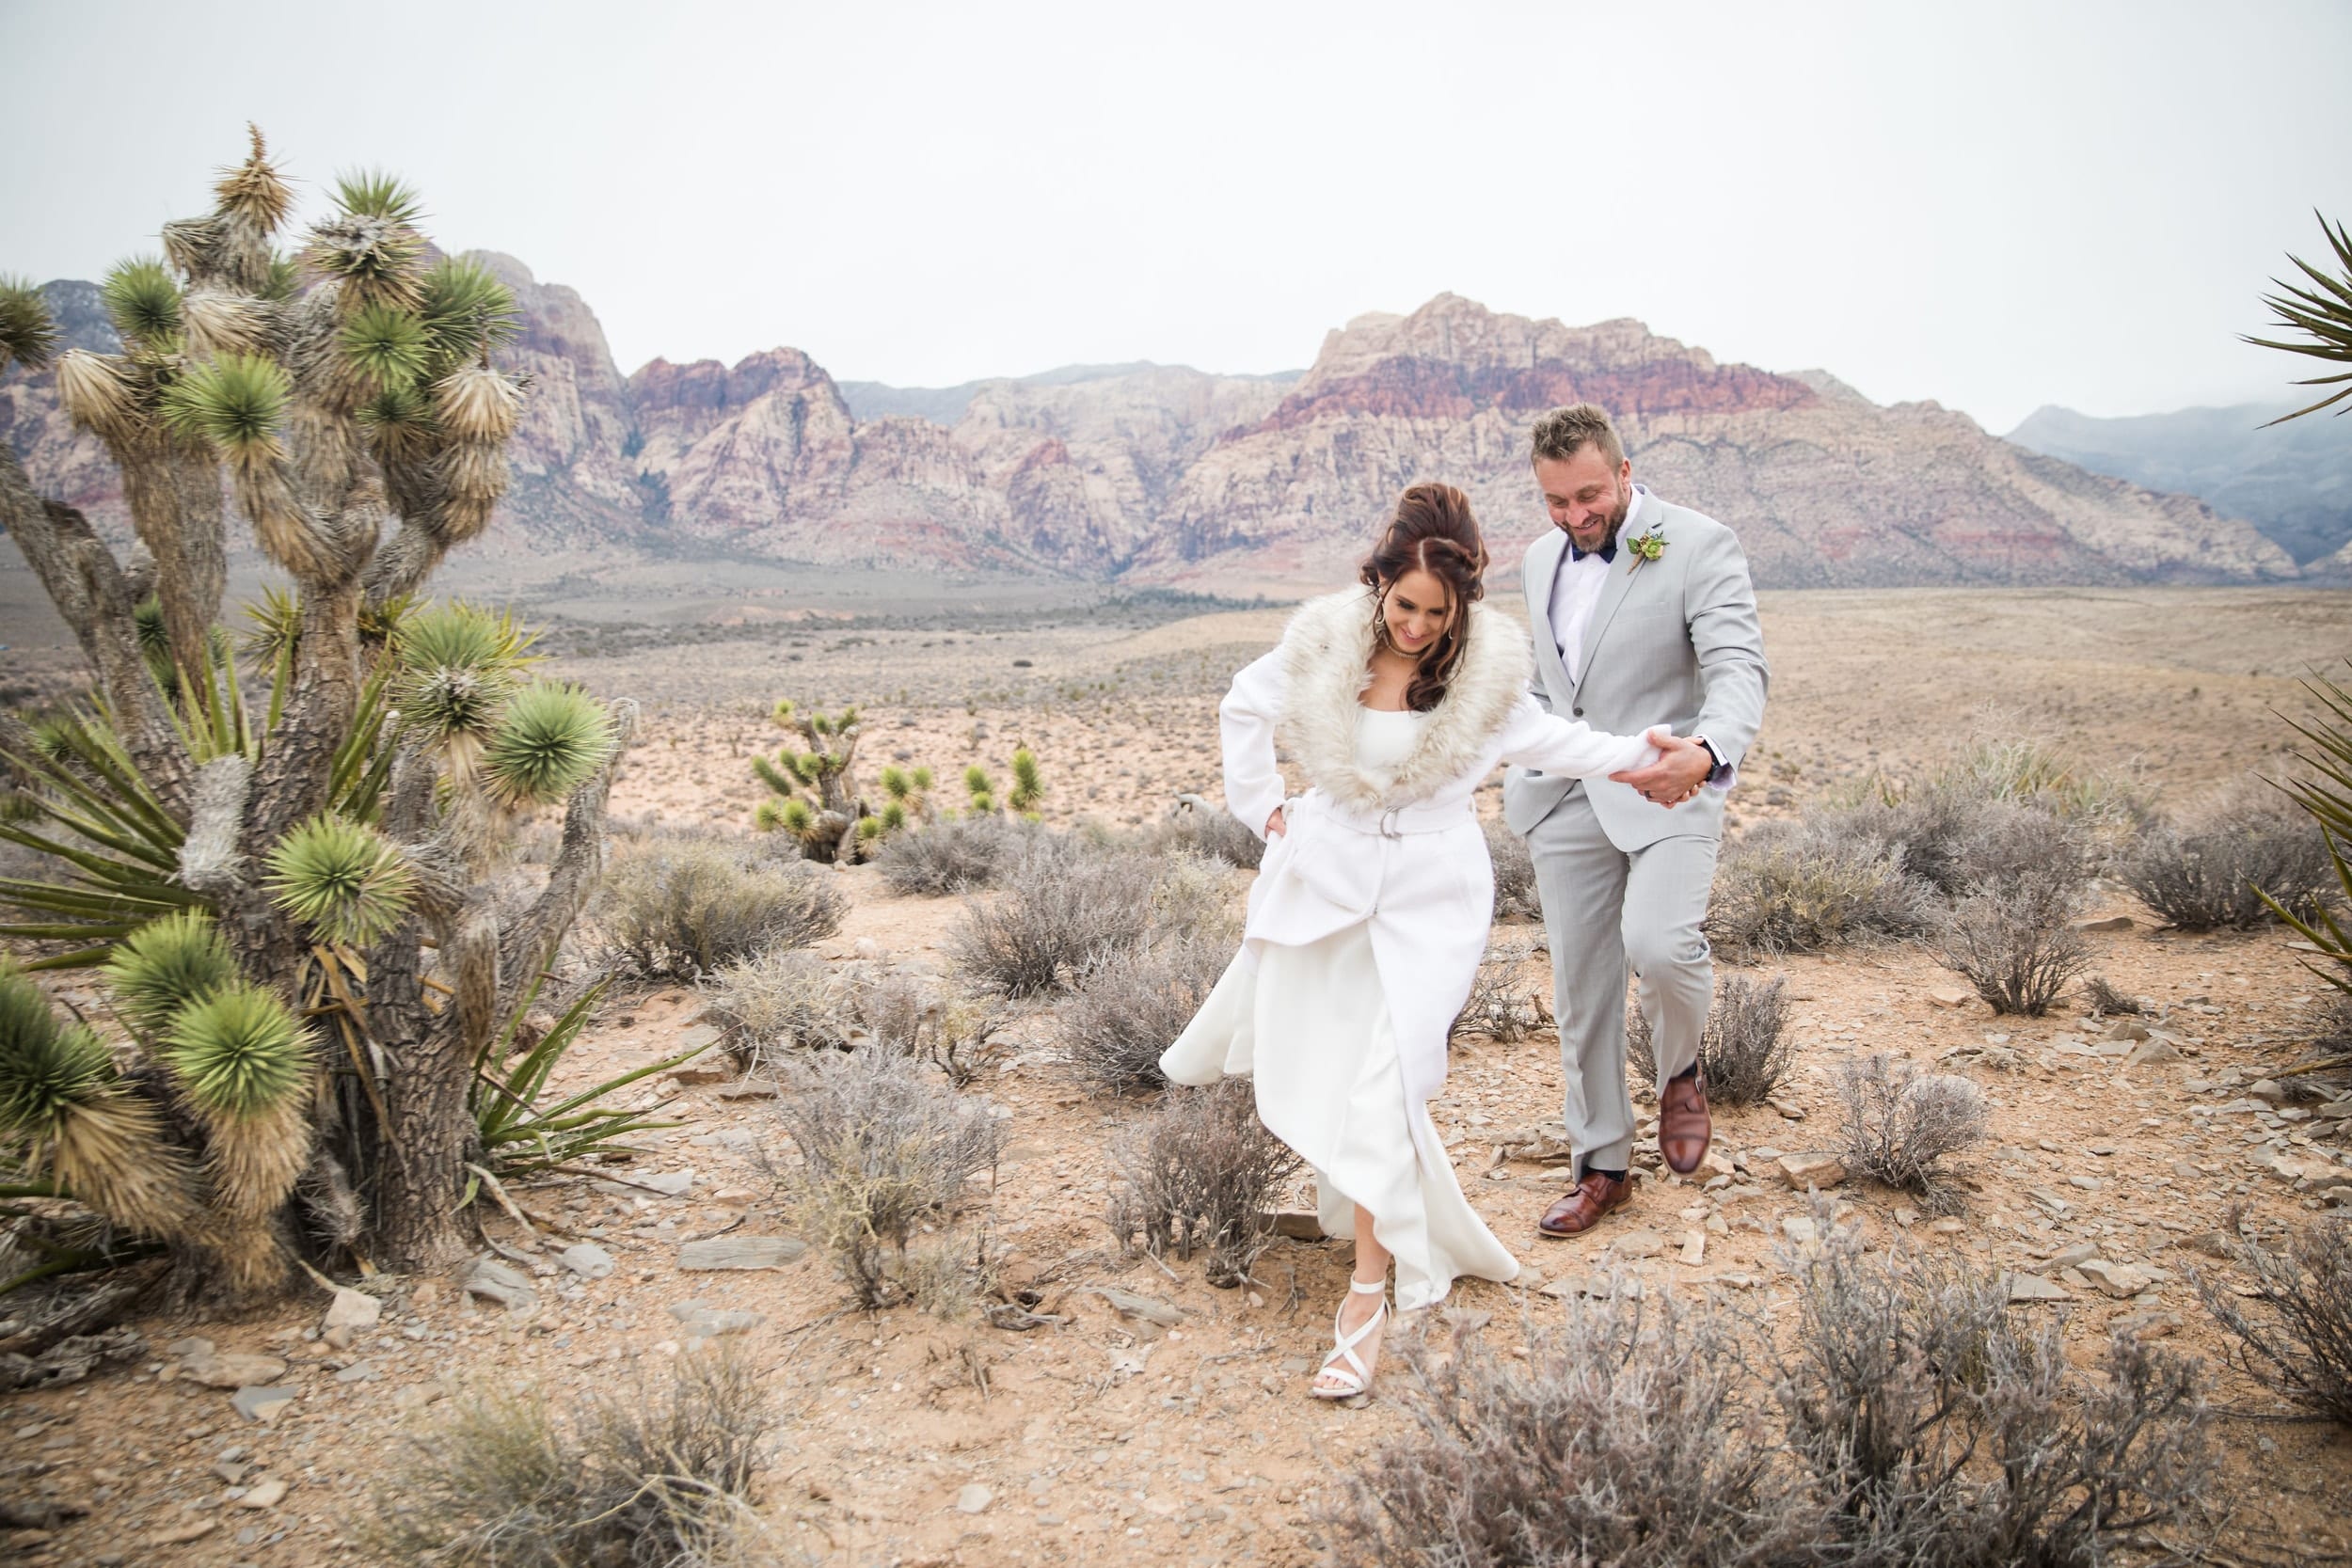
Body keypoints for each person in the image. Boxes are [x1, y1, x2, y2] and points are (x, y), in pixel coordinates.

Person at [1160, 482, 1673, 1401]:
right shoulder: (1326, 648)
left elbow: (1564, 743)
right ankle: (1376, 1222)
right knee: (1335, 1068)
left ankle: (1365, 1296)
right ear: (1379, 586)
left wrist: (1651, 754)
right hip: (1327, 881)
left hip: (1432, 898)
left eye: (1438, 612)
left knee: (1389, 1081)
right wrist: (1262, 805)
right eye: (1404, 605)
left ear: (1461, 606)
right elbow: (1245, 704)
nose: (1418, 626)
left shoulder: (1482, 684)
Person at [1502, 403, 1769, 1241]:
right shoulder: (1538, 559)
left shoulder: (1699, 543)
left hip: (1667, 786)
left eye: (1588, 496)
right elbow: (1552, 688)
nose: (1576, 518)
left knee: (1660, 945)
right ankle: (1602, 1166)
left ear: (1623, 472)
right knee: (1582, 992)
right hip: (1568, 795)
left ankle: (1681, 1067)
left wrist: (1708, 747)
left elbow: (1738, 668)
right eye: (1556, 502)